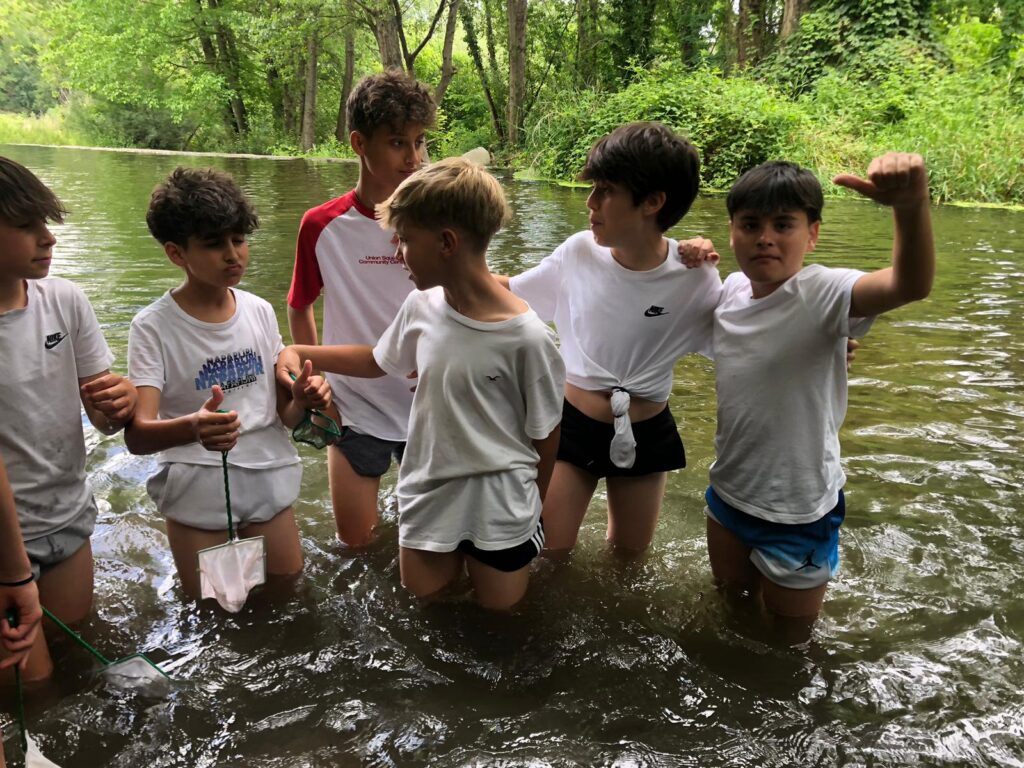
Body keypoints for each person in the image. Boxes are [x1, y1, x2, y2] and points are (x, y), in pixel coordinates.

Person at [278, 158, 565, 609]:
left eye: (406, 240)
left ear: (447, 243)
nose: (398, 254)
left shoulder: (528, 340)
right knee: (423, 617)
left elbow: (546, 435)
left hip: (501, 507)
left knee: (501, 624)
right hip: (428, 496)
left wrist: (536, 508)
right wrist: (298, 351)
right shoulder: (421, 305)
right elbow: (377, 360)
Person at [703, 152, 934, 637]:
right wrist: (690, 253)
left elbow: (909, 284)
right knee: (729, 615)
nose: (765, 237)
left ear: (812, 234)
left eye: (783, 224)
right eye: (750, 224)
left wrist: (910, 206)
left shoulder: (824, 292)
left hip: (799, 510)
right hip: (729, 495)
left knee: (791, 644)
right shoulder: (730, 291)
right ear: (732, 232)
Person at [497, 122, 722, 556]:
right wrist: (448, 274)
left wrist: (819, 345)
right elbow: (512, 294)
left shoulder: (694, 277)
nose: (590, 202)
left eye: (605, 191)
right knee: (548, 553)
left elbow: (744, 335)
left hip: (646, 428)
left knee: (630, 560)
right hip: (572, 424)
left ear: (653, 202)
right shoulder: (578, 252)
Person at [124, 167, 330, 601]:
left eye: (239, 239)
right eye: (214, 244)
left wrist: (301, 399)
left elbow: (284, 416)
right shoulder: (153, 327)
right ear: (176, 253)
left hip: (268, 473)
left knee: (289, 594)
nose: (233, 255)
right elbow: (139, 435)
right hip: (198, 484)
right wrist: (193, 427)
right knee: (215, 608)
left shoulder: (258, 311)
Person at [286, 69, 436, 548]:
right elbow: (299, 305)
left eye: (419, 142)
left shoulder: (437, 222)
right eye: (397, 143)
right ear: (359, 143)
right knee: (356, 546)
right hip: (354, 407)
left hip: (429, 406)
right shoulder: (321, 225)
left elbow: (464, 300)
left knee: (429, 545)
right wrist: (317, 386)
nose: (413, 158)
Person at [0, 156, 137, 681]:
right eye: (25, 225)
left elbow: (104, 418)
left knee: (74, 658)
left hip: (65, 518)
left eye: (45, 222)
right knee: (32, 687)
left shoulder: (64, 301)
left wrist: (121, 402)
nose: (48, 237)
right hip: (4, 541)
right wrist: (14, 572)